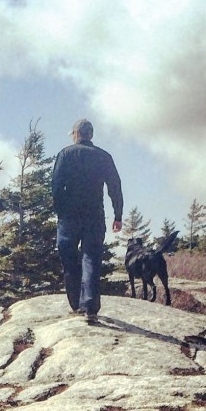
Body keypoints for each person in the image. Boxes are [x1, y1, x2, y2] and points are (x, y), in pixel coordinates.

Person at [51, 119, 123, 325]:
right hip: (94, 215)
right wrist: (118, 215)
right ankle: (90, 307)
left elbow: (56, 187)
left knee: (69, 259)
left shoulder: (65, 154)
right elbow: (115, 187)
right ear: (90, 135)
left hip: (69, 217)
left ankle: (76, 304)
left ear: (76, 134)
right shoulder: (104, 156)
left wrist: (60, 212)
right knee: (91, 258)